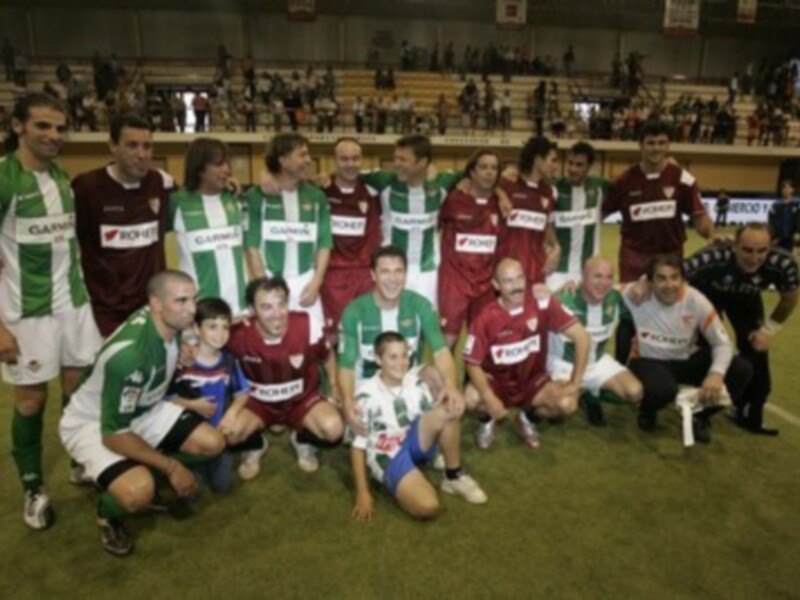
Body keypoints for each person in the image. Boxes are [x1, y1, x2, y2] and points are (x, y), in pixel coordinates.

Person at [59, 271, 226, 555]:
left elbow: (165, 346)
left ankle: (129, 468)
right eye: (181, 301)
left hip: (144, 407)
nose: (191, 309)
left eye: (193, 299)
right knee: (139, 492)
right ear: (156, 304)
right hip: (95, 423)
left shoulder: (166, 322)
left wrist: (181, 347)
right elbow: (114, 434)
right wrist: (171, 467)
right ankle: (106, 511)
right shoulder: (131, 357)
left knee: (213, 443)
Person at [1, 93, 103, 529]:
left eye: (60, 128)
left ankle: (80, 459)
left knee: (77, 389)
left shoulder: (61, 177)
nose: (54, 136)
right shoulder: (4, 179)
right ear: (19, 126)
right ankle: (33, 487)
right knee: (31, 398)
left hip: (74, 306)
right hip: (26, 312)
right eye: (43, 126)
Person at [351, 332, 487, 522]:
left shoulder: (415, 382)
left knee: (450, 407)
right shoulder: (365, 397)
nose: (401, 362)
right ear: (378, 359)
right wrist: (362, 492)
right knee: (428, 507)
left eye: (404, 355)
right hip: (389, 454)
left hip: (414, 440)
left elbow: (432, 416)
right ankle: (399, 478)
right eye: (393, 357)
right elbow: (357, 447)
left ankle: (453, 475)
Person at [622, 255, 753, 442]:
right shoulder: (636, 294)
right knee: (663, 390)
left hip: (686, 359)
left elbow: (722, 343)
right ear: (650, 281)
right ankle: (648, 409)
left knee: (741, 369)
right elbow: (596, 289)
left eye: (675, 277)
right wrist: (569, 284)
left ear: (684, 279)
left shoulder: (697, 301)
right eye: (661, 278)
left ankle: (699, 416)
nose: (669, 285)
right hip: (648, 360)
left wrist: (716, 374)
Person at [463, 258, 591, 449]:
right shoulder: (486, 317)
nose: (516, 286)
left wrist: (575, 381)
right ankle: (487, 420)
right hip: (497, 382)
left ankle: (527, 418)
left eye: (519, 278)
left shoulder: (542, 303)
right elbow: (472, 362)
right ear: (496, 285)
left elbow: (582, 337)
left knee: (567, 403)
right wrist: (489, 396)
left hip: (533, 382)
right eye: (508, 281)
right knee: (470, 399)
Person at [684, 224, 798, 435]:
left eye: (761, 250)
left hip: (746, 296)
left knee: (757, 349)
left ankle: (748, 411)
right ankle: (700, 411)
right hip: (707, 295)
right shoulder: (711, 257)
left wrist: (767, 330)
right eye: (747, 250)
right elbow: (675, 276)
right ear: (734, 246)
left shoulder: (783, 263)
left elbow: (790, 298)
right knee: (705, 349)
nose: (754, 258)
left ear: (771, 247)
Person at [223, 277, 344, 474]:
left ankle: (302, 438)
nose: (277, 314)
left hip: (301, 400)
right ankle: (255, 445)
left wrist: (333, 384)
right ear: (252, 310)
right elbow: (205, 340)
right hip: (258, 403)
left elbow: (327, 354)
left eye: (281, 304)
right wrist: (188, 347)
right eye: (266, 307)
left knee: (334, 430)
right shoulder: (236, 335)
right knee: (230, 434)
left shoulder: (307, 324)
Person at [338, 246, 461, 435]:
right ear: (373, 275)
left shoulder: (420, 305)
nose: (393, 279)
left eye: (398, 271)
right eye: (385, 272)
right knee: (360, 432)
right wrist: (347, 403)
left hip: (408, 375)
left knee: (439, 381)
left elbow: (441, 352)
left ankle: (433, 441)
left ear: (405, 274)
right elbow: (346, 366)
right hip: (367, 381)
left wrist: (450, 385)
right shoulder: (354, 311)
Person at [73, 112, 174, 338]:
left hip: (152, 307)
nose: (141, 154)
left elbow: (194, 197)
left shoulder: (161, 182)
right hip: (105, 312)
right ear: (112, 146)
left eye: (147, 146)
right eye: (132, 145)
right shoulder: (87, 188)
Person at [602, 120, 714, 283]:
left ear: (668, 146)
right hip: (633, 257)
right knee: (632, 305)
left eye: (662, 143)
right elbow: (601, 212)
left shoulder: (683, 179)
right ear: (640, 146)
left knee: (668, 305)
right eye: (651, 143)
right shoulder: (624, 181)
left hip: (670, 257)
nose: (656, 148)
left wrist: (711, 235)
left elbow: (699, 217)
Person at [357, 135, 462, 306]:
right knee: (389, 323)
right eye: (395, 158)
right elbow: (347, 172)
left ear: (422, 162)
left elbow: (476, 174)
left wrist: (502, 190)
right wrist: (323, 177)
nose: (396, 163)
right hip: (391, 267)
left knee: (424, 324)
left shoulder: (441, 183)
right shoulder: (384, 181)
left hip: (427, 271)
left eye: (403, 159)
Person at [244, 133, 332, 325]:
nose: (309, 160)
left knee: (313, 343)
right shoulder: (256, 196)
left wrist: (317, 282)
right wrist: (264, 287)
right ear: (283, 160)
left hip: (306, 283)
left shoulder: (316, 196)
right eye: (302, 155)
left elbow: (324, 243)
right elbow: (251, 245)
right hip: (269, 280)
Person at [167, 297, 254, 493]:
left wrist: (231, 414)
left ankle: (222, 456)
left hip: (219, 433)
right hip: (190, 437)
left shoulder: (229, 361)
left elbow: (243, 392)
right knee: (191, 493)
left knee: (224, 486)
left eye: (225, 327)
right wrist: (192, 405)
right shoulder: (182, 364)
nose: (220, 334)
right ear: (196, 329)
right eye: (212, 326)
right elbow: (164, 398)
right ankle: (178, 463)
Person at [549, 257, 643, 426]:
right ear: (583, 277)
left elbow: (647, 288)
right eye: (597, 276)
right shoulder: (562, 299)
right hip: (565, 366)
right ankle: (569, 393)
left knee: (635, 392)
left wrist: (644, 281)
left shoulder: (617, 298)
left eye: (609, 277)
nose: (604, 283)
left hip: (597, 363)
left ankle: (590, 394)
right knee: (563, 405)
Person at [169, 138, 249, 316]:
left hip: (240, 309)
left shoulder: (235, 198)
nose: (227, 170)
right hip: (199, 313)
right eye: (219, 164)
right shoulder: (177, 202)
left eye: (228, 163)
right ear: (200, 168)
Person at [438, 149, 502, 347]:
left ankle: (471, 380)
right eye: (483, 167)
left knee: (481, 339)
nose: (489, 172)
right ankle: (446, 379)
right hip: (454, 283)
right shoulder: (453, 200)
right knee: (448, 339)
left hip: (485, 285)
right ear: (472, 172)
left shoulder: (500, 204)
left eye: (493, 168)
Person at [320, 138, 382, 337]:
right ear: (334, 161)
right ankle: (336, 369)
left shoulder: (373, 193)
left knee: (367, 331)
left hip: (364, 273)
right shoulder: (321, 192)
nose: (350, 164)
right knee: (334, 334)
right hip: (333, 275)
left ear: (361, 160)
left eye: (355, 159)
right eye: (344, 159)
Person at [497, 136, 561, 291]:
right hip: (506, 272)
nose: (556, 166)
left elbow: (546, 225)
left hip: (536, 272)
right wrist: (499, 192)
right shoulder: (507, 185)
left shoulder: (549, 192)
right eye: (552, 160)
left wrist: (556, 246)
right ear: (538, 160)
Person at [548, 141, 608, 290]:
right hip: (557, 270)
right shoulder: (554, 189)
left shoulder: (600, 186)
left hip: (588, 270)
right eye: (570, 163)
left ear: (590, 166)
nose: (572, 169)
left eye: (579, 165)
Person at [767, 180, 799, 253]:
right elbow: (771, 221)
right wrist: (773, 235)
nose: (786, 190)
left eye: (788, 188)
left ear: (792, 190)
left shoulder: (796, 205)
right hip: (778, 237)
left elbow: (798, 220)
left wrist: (797, 232)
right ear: (781, 190)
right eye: (784, 188)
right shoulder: (775, 206)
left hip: (791, 237)